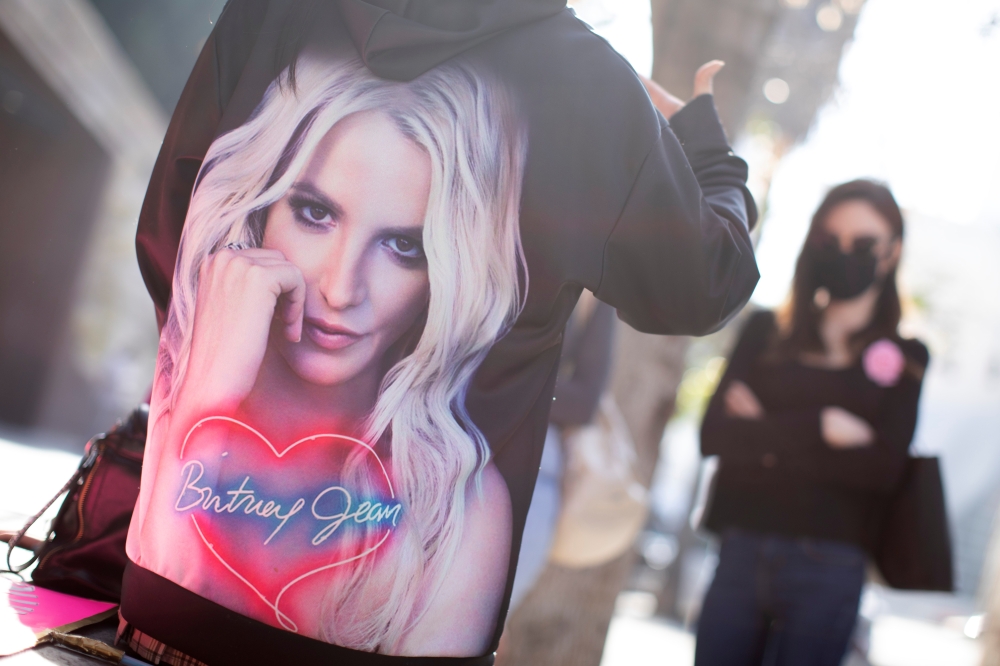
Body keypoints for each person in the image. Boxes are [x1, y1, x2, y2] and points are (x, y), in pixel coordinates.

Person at [121, 1, 760, 663]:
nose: (341, 289)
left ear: (457, 267)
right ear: (253, 202)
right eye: (313, 211)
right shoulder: (588, 83)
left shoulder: (276, 9)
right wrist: (703, 154)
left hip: (167, 611)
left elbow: (166, 228)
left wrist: (198, 392)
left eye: (405, 246)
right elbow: (703, 285)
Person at [695, 180, 929, 666]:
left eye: (864, 243)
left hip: (830, 571)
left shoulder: (906, 358)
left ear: (891, 253)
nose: (846, 254)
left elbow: (883, 472)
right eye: (830, 239)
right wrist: (823, 426)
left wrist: (763, 431)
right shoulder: (764, 334)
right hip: (741, 550)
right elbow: (715, 435)